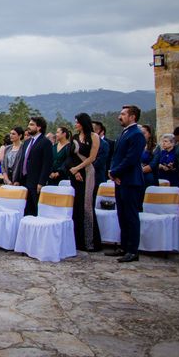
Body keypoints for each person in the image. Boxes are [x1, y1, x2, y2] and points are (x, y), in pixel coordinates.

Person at [106, 105, 145, 263]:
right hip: (120, 179)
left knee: (131, 216)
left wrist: (115, 172)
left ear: (133, 116)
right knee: (121, 214)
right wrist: (112, 172)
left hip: (130, 181)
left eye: (123, 114)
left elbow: (131, 158)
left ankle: (133, 250)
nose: (119, 117)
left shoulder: (137, 134)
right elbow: (117, 156)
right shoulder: (125, 132)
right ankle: (124, 246)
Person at [67, 113, 102, 252]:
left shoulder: (94, 137)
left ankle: (90, 241)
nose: (75, 124)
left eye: (77, 122)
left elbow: (92, 157)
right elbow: (69, 156)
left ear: (83, 123)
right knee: (76, 204)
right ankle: (77, 240)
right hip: (74, 174)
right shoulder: (74, 138)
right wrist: (74, 171)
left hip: (87, 172)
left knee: (86, 204)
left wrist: (78, 168)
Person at [12, 117, 53, 216]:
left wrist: (41, 182)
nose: (28, 127)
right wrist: (17, 179)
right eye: (29, 124)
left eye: (31, 125)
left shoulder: (45, 142)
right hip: (24, 180)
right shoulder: (26, 142)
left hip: (36, 182)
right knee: (25, 209)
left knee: (35, 209)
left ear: (39, 127)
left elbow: (47, 164)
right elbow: (21, 161)